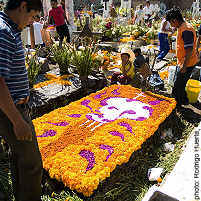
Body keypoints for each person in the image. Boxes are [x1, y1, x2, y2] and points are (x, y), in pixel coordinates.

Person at [0, 1, 43, 201]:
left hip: (13, 109)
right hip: (11, 112)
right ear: (22, 6)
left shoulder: (10, 28)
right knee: (33, 165)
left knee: (20, 160)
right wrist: (17, 121)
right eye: (32, 15)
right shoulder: (4, 32)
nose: (31, 22)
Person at [166, 7, 199, 106]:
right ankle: (184, 100)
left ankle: (178, 105)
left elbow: (189, 50)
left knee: (177, 86)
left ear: (175, 20)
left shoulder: (186, 29)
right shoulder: (182, 27)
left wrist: (184, 66)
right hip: (185, 62)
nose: (171, 25)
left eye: (171, 23)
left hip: (187, 63)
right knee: (181, 83)